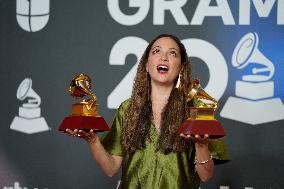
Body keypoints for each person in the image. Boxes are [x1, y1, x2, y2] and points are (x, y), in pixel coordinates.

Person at [66, 34, 229, 189]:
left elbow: (206, 176)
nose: (164, 57)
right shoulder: (127, 109)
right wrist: (93, 141)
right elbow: (111, 168)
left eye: (172, 53)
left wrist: (201, 146)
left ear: (180, 67)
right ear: (146, 64)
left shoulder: (196, 110)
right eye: (156, 51)